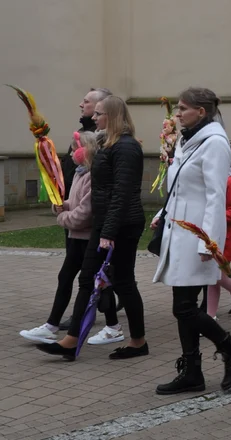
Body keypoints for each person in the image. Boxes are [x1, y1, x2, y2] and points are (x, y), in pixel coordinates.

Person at [153, 89, 231, 395]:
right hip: (180, 231)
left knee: (184, 308)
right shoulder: (189, 139)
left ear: (202, 112)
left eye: (184, 108)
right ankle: (192, 371)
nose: (178, 113)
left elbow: (214, 195)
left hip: (196, 236)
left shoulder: (215, 144)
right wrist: (163, 211)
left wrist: (208, 243)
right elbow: (182, 187)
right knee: (183, 306)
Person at [35, 96, 149, 360]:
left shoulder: (127, 148)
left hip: (122, 226)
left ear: (112, 116)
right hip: (104, 223)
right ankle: (71, 340)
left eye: (99, 114)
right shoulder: (107, 145)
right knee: (87, 278)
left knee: (123, 282)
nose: (94, 118)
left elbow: (121, 193)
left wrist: (108, 233)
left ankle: (138, 341)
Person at [20, 131, 121, 344]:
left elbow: (84, 212)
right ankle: (51, 325)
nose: (73, 153)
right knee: (65, 277)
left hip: (88, 239)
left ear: (88, 149)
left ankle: (113, 326)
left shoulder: (95, 175)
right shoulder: (79, 173)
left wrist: (62, 217)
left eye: (76, 149)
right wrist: (62, 205)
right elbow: (75, 203)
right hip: (76, 238)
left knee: (99, 283)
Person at [56, 87, 112, 331]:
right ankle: (104, 317)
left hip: (87, 225)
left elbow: (96, 198)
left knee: (88, 276)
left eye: (88, 102)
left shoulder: (100, 141)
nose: (82, 105)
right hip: (74, 214)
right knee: (92, 276)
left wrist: (68, 215)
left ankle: (72, 323)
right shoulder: (82, 134)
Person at [204, 140, 231, 318]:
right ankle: (210, 315)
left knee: (216, 276)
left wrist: (214, 217)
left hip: (226, 236)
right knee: (213, 279)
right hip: (216, 235)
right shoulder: (218, 178)